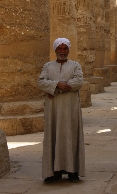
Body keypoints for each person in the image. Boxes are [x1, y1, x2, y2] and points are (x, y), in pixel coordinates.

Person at [38, 38, 85, 183]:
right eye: (60, 49)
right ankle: (53, 172)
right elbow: (41, 82)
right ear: (55, 50)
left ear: (69, 50)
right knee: (53, 136)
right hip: (53, 110)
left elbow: (78, 82)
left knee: (71, 136)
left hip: (70, 109)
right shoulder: (48, 66)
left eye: (65, 49)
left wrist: (55, 90)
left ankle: (73, 171)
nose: (62, 51)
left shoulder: (75, 66)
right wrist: (58, 84)